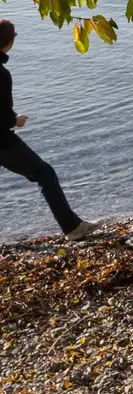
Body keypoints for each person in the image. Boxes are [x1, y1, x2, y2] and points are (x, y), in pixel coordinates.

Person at [0, 19, 100, 241]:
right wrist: (15, 120)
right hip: (2, 141)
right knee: (45, 173)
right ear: (10, 42)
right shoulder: (2, 74)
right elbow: (2, 116)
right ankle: (72, 228)